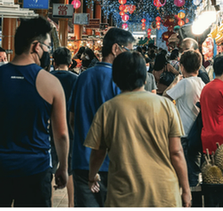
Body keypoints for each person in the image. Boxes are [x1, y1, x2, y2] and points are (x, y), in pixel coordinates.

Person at [84, 51, 191, 207]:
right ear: (144, 75)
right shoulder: (166, 105)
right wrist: (186, 190)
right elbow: (176, 152)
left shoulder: (108, 109)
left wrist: (92, 177)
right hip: (164, 195)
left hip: (124, 196)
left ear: (116, 77)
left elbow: (98, 153)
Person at [0, 16, 69, 207]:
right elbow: (61, 134)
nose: (48, 52)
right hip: (35, 169)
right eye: (47, 47)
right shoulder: (51, 83)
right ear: (36, 46)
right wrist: (63, 167)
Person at [69, 28, 135, 207]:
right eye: (127, 51)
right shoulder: (121, 81)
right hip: (113, 164)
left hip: (83, 162)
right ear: (115, 49)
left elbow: (73, 120)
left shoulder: (82, 78)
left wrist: (85, 140)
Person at [165, 50, 205, 187]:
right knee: (194, 169)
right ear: (199, 67)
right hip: (197, 133)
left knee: (185, 173)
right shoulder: (202, 83)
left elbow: (165, 99)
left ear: (182, 67)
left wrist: (175, 82)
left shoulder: (184, 83)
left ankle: (189, 202)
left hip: (185, 134)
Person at [51, 47, 78, 207]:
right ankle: (71, 205)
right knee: (70, 170)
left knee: (50, 170)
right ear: (70, 61)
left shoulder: (47, 77)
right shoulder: (76, 79)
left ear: (54, 60)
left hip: (49, 130)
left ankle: (48, 203)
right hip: (70, 130)